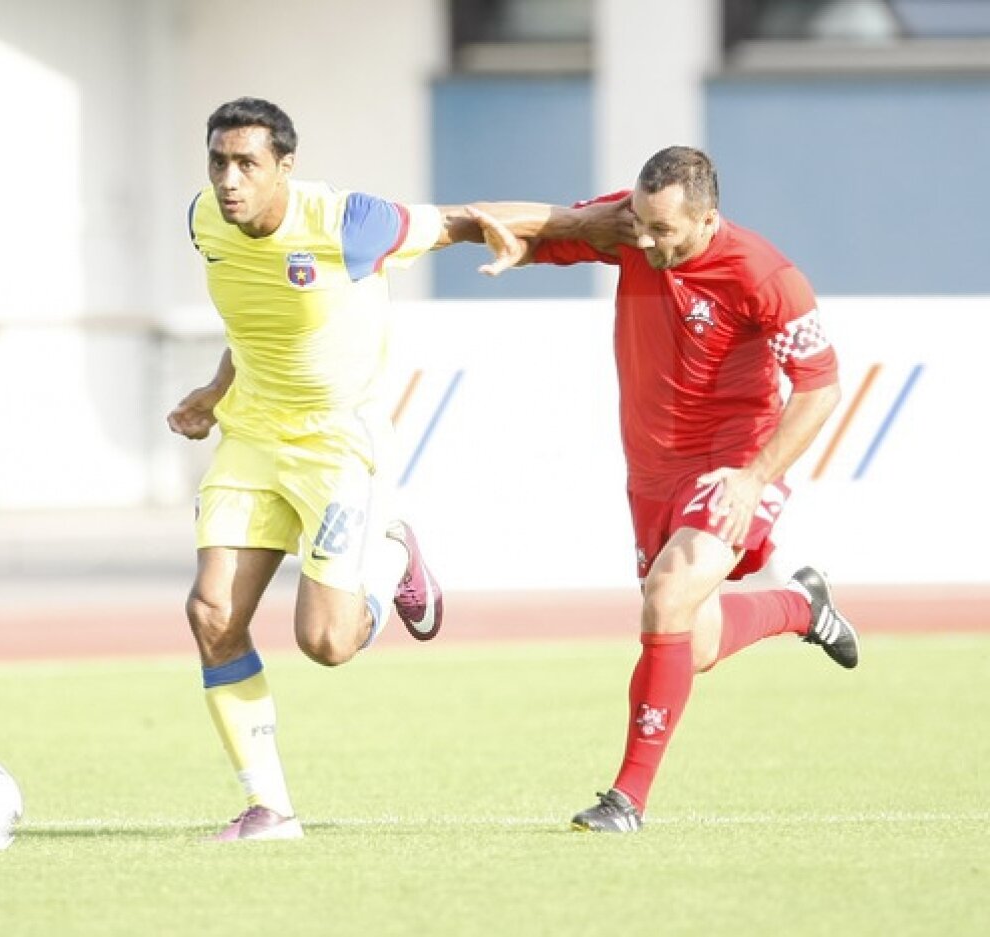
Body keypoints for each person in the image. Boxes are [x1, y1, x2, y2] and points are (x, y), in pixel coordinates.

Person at [166, 97, 631, 842]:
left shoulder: (348, 222)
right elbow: (253, 319)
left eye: (247, 163)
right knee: (212, 613)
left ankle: (393, 557)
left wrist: (593, 223)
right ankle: (270, 807)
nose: (229, 179)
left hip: (337, 444)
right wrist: (215, 392)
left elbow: (462, 219)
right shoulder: (203, 220)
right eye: (218, 161)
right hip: (252, 433)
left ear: (286, 165)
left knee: (328, 642)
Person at [482, 145, 860, 833]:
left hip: (731, 462)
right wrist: (495, 235)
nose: (646, 241)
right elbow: (530, 226)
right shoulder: (633, 226)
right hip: (650, 471)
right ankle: (801, 605)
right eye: (639, 224)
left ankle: (626, 798)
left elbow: (821, 386)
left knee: (667, 596)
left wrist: (753, 477)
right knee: (697, 642)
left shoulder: (765, 274)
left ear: (708, 217)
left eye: (665, 231)